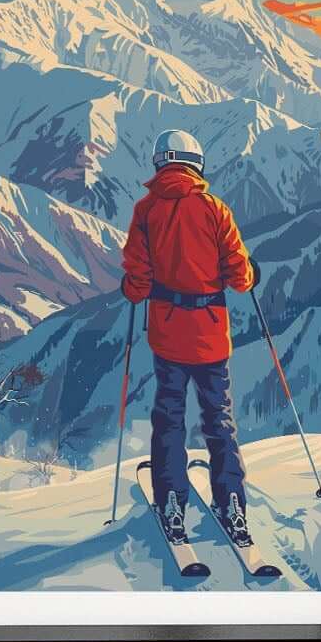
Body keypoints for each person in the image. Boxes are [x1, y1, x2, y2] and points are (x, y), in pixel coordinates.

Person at [121, 129, 257, 552]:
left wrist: (132, 286)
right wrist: (251, 271)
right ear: (196, 163)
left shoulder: (146, 211)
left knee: (170, 419)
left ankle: (172, 502)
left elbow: (138, 285)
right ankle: (232, 501)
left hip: (167, 334)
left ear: (161, 162)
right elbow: (240, 278)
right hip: (211, 334)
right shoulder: (215, 209)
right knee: (219, 420)